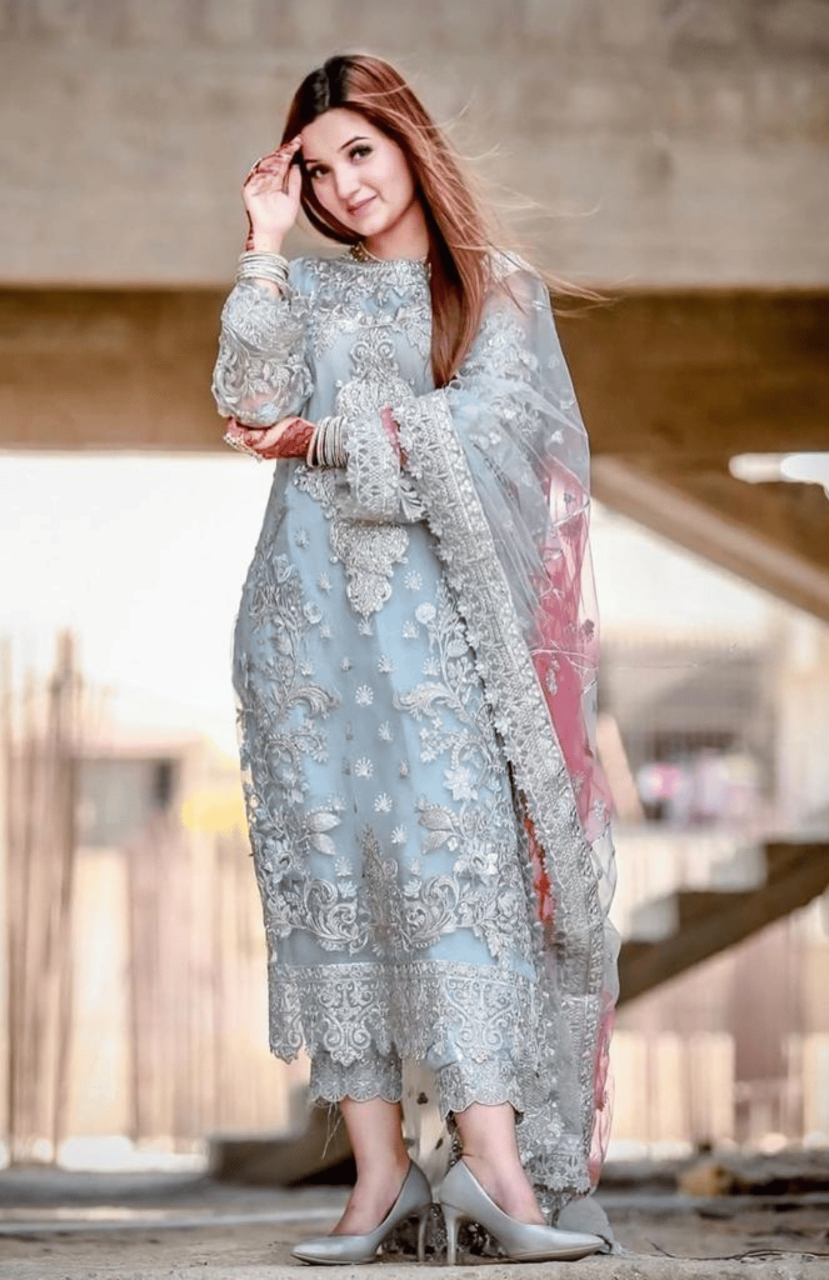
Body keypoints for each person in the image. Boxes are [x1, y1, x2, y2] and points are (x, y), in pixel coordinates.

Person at [212, 53, 618, 1266]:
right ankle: (378, 1180)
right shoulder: (311, 293)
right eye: (317, 170)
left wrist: (327, 439)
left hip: (441, 644)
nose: (343, 187)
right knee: (332, 876)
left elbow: (497, 437)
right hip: (304, 637)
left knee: (460, 872)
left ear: (407, 143)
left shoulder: (497, 294)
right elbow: (245, 394)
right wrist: (263, 246)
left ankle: (500, 1178)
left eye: (360, 153)